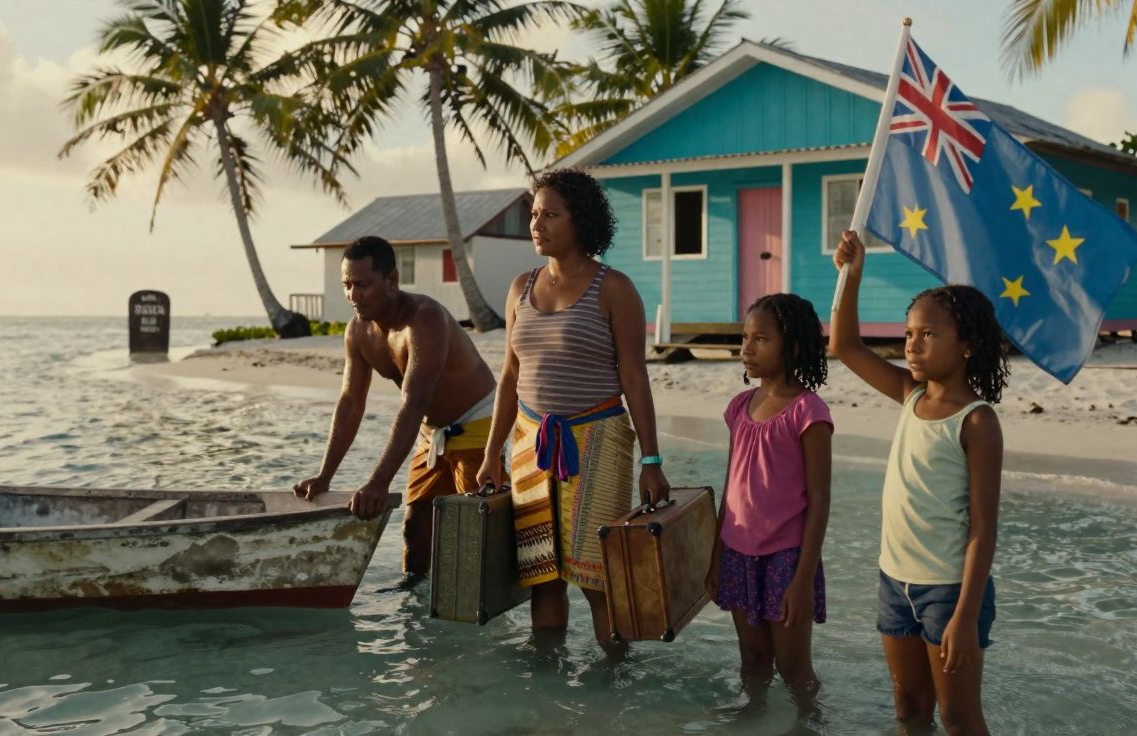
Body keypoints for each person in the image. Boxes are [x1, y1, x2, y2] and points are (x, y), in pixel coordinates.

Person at [475, 168, 670, 650]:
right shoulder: (520, 286)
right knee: (543, 574)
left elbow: (634, 379)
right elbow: (509, 378)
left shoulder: (614, 288)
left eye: (550, 215)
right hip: (529, 442)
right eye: (534, 214)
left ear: (579, 221)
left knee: (596, 576)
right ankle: (550, 689)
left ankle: (614, 687)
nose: (536, 224)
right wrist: (489, 454)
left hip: (597, 440)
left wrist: (652, 461)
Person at [830, 230, 1007, 736]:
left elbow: (983, 528)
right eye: (909, 333)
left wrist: (967, 615)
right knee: (908, 708)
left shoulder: (976, 422)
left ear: (967, 345)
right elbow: (843, 345)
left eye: (928, 334)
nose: (912, 343)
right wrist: (853, 275)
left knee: (958, 716)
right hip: (894, 579)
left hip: (949, 591)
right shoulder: (909, 394)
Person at [294, 235, 499, 580]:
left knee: (474, 533)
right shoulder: (358, 332)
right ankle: (414, 610)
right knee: (415, 528)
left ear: (391, 280)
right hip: (432, 431)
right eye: (346, 285)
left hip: (477, 422)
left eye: (362, 284)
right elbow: (350, 402)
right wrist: (325, 475)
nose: (353, 295)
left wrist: (378, 481)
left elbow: (413, 402)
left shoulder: (425, 319)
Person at [705, 293, 833, 721]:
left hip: (787, 558)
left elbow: (819, 502)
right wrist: (717, 555)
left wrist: (802, 579)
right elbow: (731, 487)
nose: (747, 348)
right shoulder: (740, 407)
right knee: (753, 659)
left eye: (761, 339)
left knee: (794, 668)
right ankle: (755, 714)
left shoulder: (808, 412)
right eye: (745, 338)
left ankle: (807, 723)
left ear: (793, 346)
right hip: (739, 554)